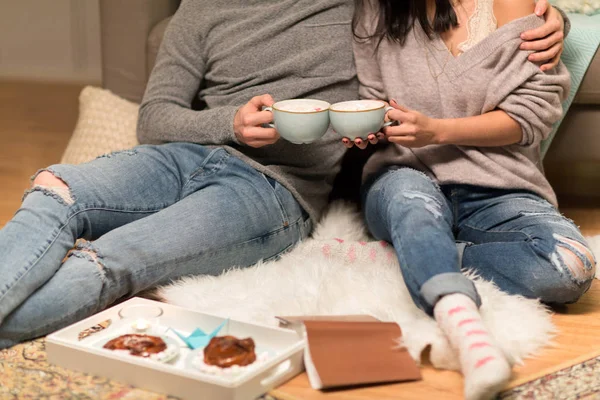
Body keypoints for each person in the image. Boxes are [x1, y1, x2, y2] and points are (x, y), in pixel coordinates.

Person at [0, 0, 568, 349]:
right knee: (55, 189)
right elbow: (155, 116)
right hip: (181, 157)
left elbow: (456, 19)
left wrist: (558, 16)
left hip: (273, 192)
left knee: (116, 257)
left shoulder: (359, 6)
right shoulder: (201, 10)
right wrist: (231, 123)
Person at [347, 0, 594, 398]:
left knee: (570, 267)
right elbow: (373, 98)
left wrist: (437, 131)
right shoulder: (377, 11)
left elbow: (531, 114)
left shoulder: (516, 5)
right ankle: (467, 334)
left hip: (500, 185)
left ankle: (419, 251)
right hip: (404, 176)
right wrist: (367, 125)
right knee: (412, 202)